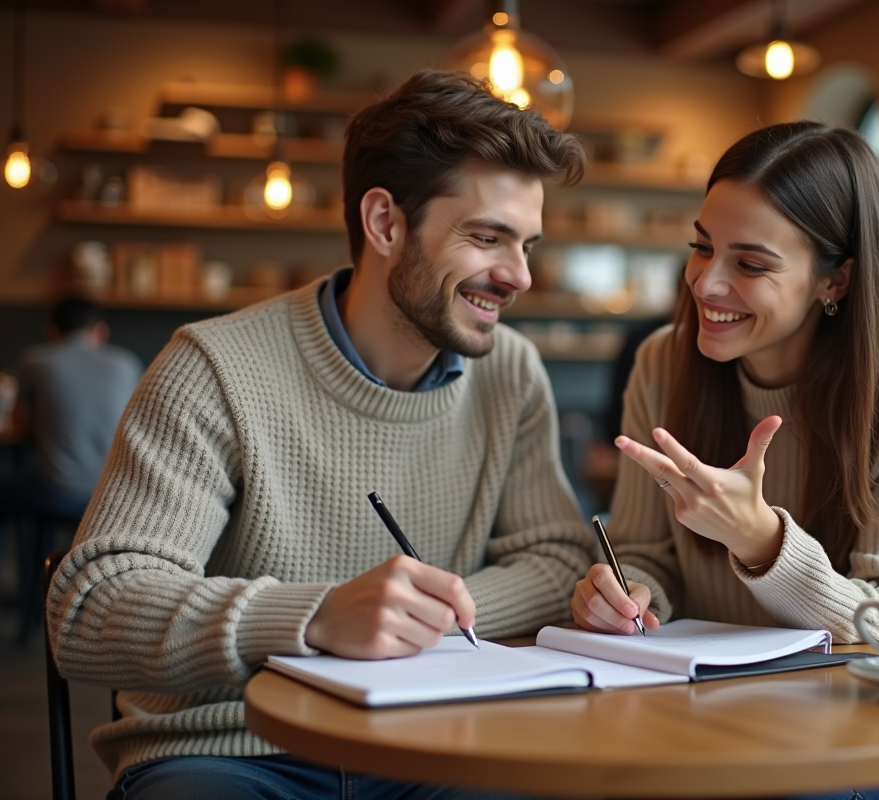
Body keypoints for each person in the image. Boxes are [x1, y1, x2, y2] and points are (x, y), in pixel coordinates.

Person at [48, 70, 596, 800]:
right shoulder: (213, 367)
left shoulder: (511, 373)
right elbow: (90, 608)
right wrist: (314, 618)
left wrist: (419, 619)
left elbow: (559, 560)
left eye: (526, 244)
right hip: (229, 748)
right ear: (385, 224)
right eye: (487, 237)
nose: (520, 276)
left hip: (438, 740)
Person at [569, 122, 879, 800]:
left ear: (837, 279)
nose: (707, 284)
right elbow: (646, 550)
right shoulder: (662, 364)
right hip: (739, 726)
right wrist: (629, 593)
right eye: (701, 248)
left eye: (751, 264)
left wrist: (763, 542)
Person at [0, 295, 141, 598]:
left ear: (52, 332)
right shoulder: (127, 364)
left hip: (57, 489)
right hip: (113, 495)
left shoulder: (35, 359)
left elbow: (20, 423)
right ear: (100, 331)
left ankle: (3, 595)